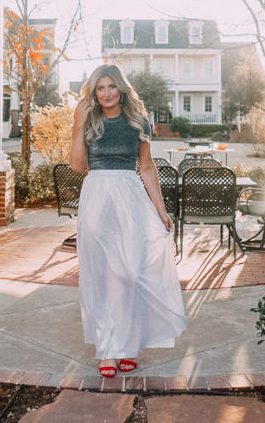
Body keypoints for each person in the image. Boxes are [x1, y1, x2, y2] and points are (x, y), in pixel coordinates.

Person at [69, 64, 187, 378]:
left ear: (121, 87)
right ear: (94, 92)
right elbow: (78, 165)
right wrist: (78, 123)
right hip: (97, 197)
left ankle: (130, 344)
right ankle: (108, 349)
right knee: (103, 275)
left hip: (130, 197)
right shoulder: (89, 119)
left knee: (130, 273)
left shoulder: (138, 120)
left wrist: (161, 210)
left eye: (111, 86)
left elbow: (147, 168)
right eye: (100, 88)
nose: (106, 93)